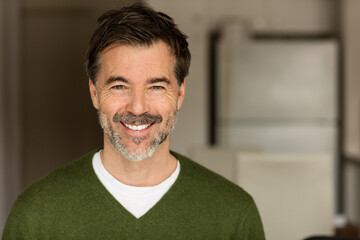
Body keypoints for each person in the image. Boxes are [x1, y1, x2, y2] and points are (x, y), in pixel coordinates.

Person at [2, 3, 265, 239]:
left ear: (180, 94)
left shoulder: (234, 215)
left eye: (156, 87)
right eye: (119, 86)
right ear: (94, 93)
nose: (137, 107)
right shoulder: (36, 215)